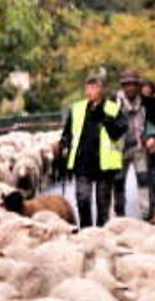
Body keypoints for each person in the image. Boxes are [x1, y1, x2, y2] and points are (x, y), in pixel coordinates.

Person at [55, 74, 128, 228]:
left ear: (102, 90)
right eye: (88, 87)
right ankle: (86, 230)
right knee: (83, 199)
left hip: (104, 164)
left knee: (103, 204)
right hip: (82, 161)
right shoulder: (77, 108)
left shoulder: (112, 108)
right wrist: (63, 143)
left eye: (95, 87)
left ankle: (102, 232)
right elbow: (68, 131)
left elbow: (119, 131)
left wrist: (105, 118)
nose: (90, 91)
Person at [114, 69, 152, 217]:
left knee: (144, 180)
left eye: (134, 84)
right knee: (118, 182)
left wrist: (149, 135)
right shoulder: (113, 102)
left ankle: (146, 212)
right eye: (127, 85)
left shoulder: (146, 102)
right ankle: (119, 213)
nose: (130, 88)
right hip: (118, 148)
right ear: (122, 87)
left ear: (138, 86)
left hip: (139, 147)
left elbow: (152, 121)